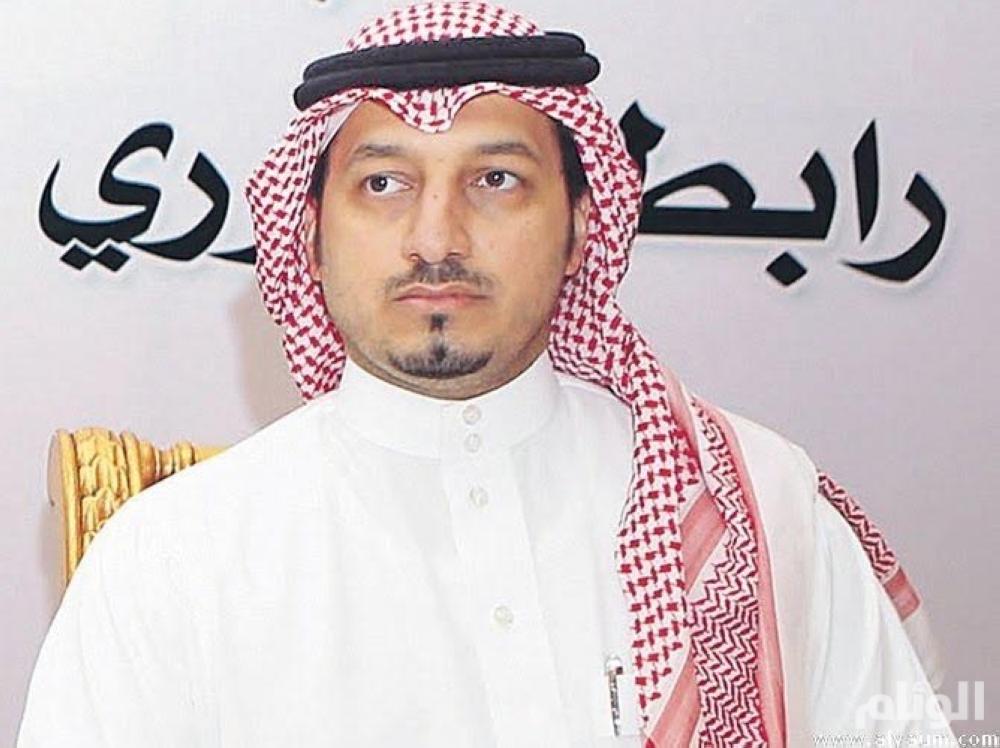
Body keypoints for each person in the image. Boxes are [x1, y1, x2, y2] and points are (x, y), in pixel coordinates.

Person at [18, 3, 956, 746]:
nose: (437, 238)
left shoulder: (755, 515)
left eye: (496, 179)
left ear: (582, 225)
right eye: (383, 184)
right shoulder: (172, 563)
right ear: (309, 234)